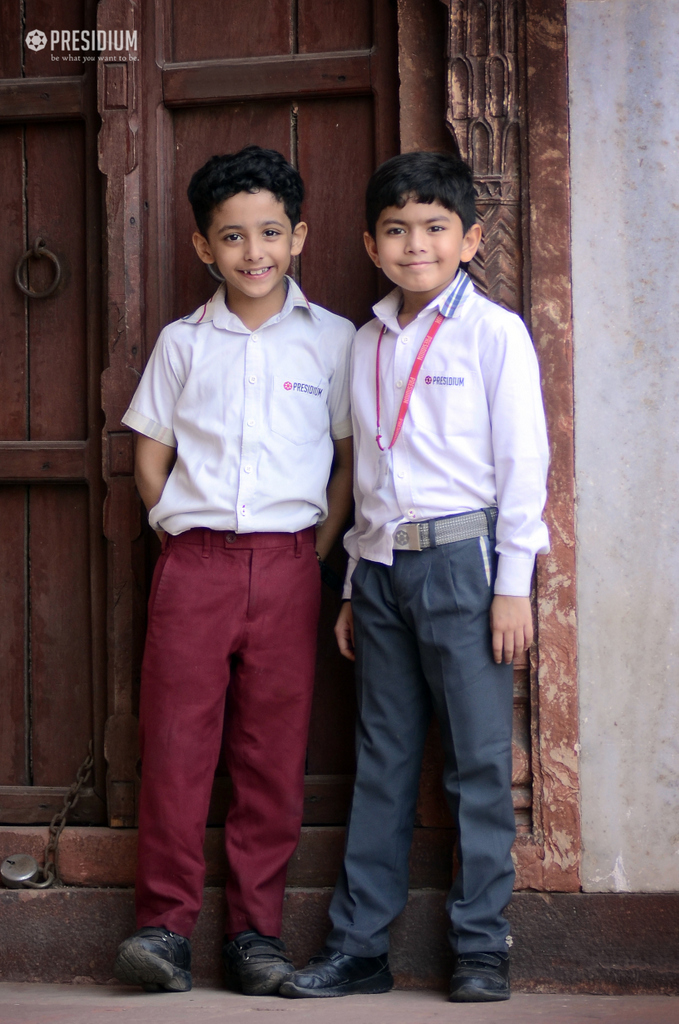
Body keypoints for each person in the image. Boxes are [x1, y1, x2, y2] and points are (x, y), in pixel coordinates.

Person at [279, 150, 549, 1003]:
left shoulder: (493, 332)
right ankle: (359, 949)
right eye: (395, 230)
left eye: (435, 228)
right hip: (385, 571)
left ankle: (479, 947)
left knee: (475, 762)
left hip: (467, 564)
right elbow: (369, 478)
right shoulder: (364, 342)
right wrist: (356, 586)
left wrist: (514, 582)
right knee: (382, 759)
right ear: (369, 242)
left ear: (469, 239)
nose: (414, 244)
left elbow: (523, 461)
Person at [113, 145, 354, 996]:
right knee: (176, 747)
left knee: (270, 755)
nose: (253, 252)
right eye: (232, 237)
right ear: (201, 248)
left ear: (298, 238)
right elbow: (151, 454)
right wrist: (172, 532)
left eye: (269, 234)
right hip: (195, 565)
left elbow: (345, 459)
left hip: (290, 565)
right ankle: (163, 928)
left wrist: (314, 554)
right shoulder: (185, 344)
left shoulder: (333, 341)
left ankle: (255, 937)